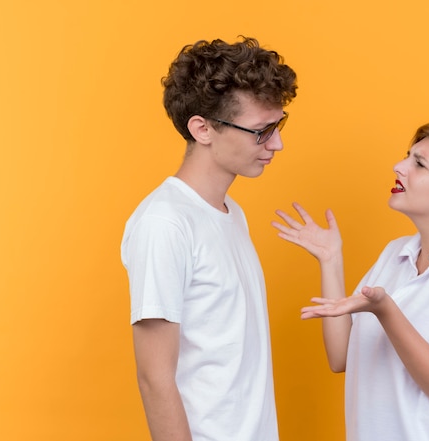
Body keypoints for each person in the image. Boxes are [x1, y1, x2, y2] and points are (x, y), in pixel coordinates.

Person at [273, 122, 429, 441]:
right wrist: (331, 260)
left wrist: (386, 310)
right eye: (407, 156)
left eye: (419, 163)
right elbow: (341, 356)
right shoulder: (396, 254)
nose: (399, 167)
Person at [121, 37, 297, 441]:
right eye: (261, 130)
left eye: (278, 125)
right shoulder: (165, 223)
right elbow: (154, 377)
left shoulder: (231, 214)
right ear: (202, 129)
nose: (277, 143)